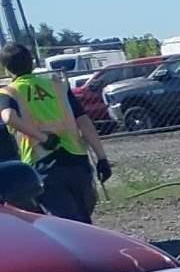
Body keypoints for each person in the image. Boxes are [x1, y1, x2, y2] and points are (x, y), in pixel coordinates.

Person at [1, 42, 111, 223]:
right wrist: (101, 157)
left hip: (43, 162)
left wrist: (42, 137)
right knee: (83, 219)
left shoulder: (9, 92)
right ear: (32, 63)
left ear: (6, 69)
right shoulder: (57, 85)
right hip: (77, 158)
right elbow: (84, 121)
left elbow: (8, 117)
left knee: (65, 224)